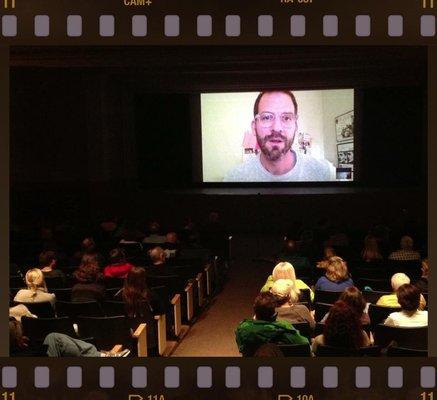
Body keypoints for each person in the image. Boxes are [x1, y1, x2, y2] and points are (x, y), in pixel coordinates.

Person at [223, 90, 335, 182]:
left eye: (286, 118)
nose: (276, 128)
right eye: (266, 117)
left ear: (295, 126)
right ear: (254, 127)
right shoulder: (233, 178)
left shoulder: (326, 173)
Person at [235, 292, 309, 357]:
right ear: (275, 315)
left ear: (255, 313)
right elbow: (305, 344)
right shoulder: (285, 329)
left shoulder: (242, 329)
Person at [119, 266, 165, 356]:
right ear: (144, 280)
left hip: (126, 338)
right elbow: (161, 311)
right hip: (149, 339)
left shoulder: (119, 296)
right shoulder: (150, 295)